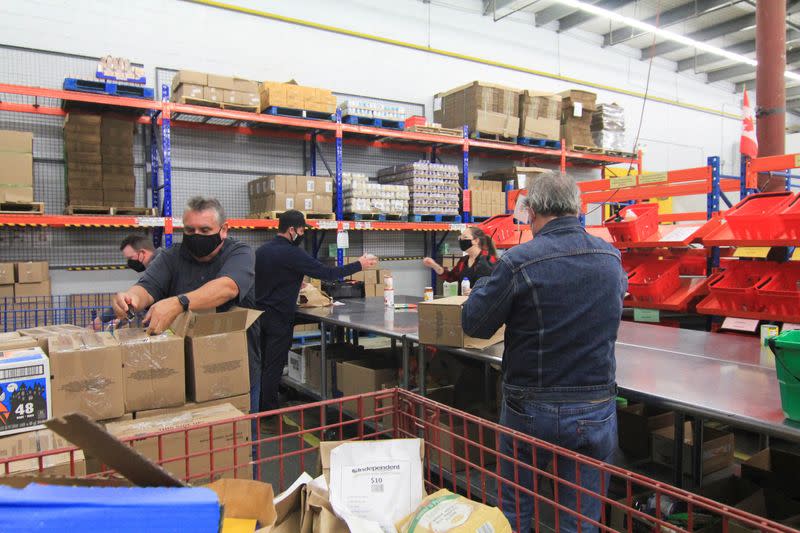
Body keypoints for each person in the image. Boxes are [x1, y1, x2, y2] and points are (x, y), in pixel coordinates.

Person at [461, 172, 627, 533]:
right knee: (580, 520)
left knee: (516, 513)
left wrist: (482, 282)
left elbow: (475, 324)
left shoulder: (519, 261)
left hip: (530, 406)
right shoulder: (611, 259)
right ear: (578, 208)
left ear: (532, 212)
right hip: (594, 407)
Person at [112, 196, 261, 412]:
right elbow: (147, 286)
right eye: (190, 231)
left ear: (224, 230)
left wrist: (179, 302)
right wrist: (130, 298)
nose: (196, 236)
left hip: (237, 369)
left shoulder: (240, 253)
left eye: (204, 230)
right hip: (185, 372)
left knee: (242, 437)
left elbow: (228, 287)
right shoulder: (171, 257)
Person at [254, 210, 378, 415]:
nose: (303, 234)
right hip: (278, 318)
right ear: (292, 230)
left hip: (259, 316)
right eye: (302, 230)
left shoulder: (262, 251)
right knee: (273, 366)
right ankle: (268, 413)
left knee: (261, 363)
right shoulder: (292, 253)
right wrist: (359, 264)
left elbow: (269, 277)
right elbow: (328, 274)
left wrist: (292, 281)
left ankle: (257, 404)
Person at [93, 234, 164, 330]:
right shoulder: (160, 260)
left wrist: (101, 319)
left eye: (131, 258)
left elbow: (138, 298)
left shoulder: (160, 265)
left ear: (142, 253)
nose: (129, 262)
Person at [422, 227, 497, 295]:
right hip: (464, 304)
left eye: (465, 237)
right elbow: (450, 277)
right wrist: (434, 265)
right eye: (460, 237)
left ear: (476, 241)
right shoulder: (463, 261)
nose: (461, 240)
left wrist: (476, 291)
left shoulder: (490, 260)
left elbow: (495, 286)